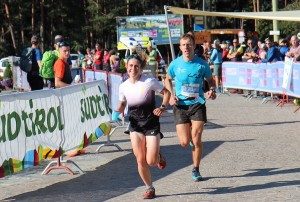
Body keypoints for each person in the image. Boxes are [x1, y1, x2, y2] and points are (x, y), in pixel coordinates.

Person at [112, 54, 171, 199]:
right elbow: (123, 102)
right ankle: (149, 187)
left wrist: (162, 107)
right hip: (135, 125)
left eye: (136, 66)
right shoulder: (123, 86)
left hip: (151, 123)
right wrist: (116, 112)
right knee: (140, 159)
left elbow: (167, 93)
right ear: (126, 67)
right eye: (130, 66)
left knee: (151, 161)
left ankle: (158, 156)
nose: (133, 69)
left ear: (141, 68)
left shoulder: (149, 81)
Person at [164, 33, 217, 182]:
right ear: (180, 47)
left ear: (194, 46)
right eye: (183, 45)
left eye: (189, 44)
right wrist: (171, 95)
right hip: (180, 106)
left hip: (197, 104)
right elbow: (166, 80)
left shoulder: (202, 64)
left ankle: (196, 169)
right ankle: (191, 140)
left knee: (197, 138)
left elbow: (211, 81)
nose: (186, 47)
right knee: (184, 142)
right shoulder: (175, 64)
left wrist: (212, 90)